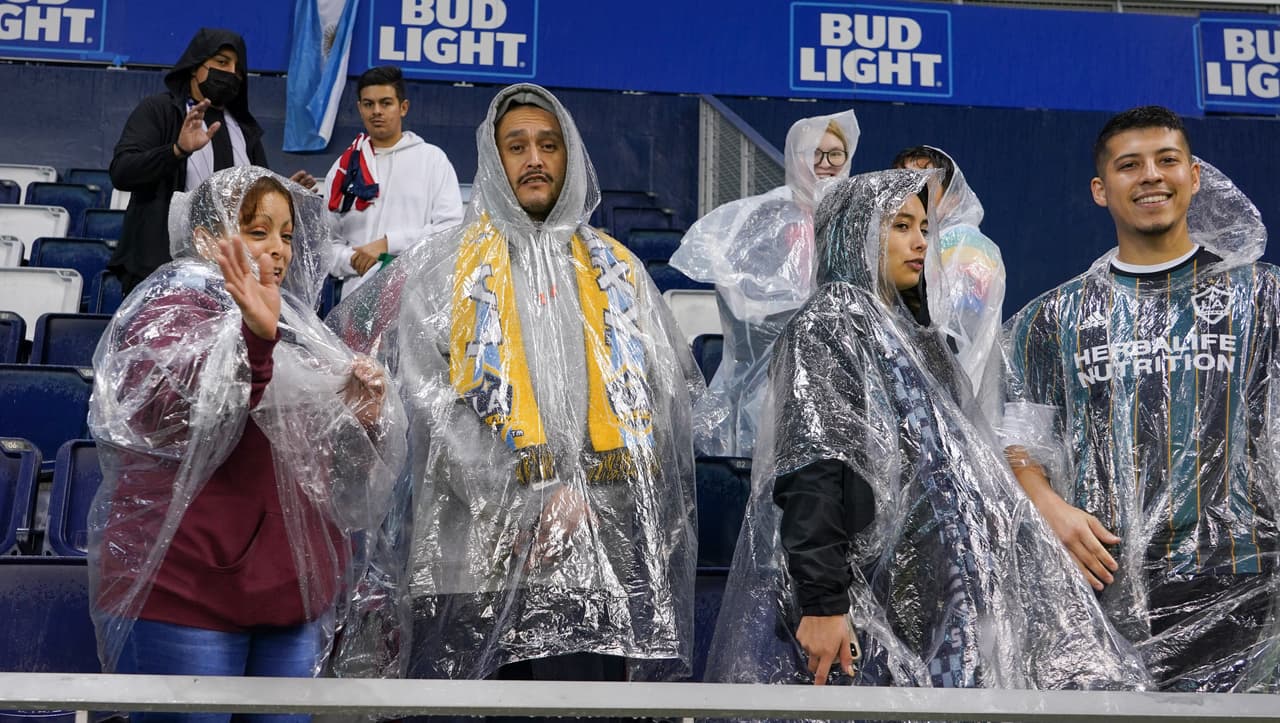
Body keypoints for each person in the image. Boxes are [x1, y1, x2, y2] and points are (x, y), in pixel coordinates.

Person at [704, 169, 1148, 693]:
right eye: (900, 226)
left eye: (923, 227)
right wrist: (824, 604)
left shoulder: (920, 338)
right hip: (868, 592)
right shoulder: (830, 324)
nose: (920, 242)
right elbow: (816, 468)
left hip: (941, 593)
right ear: (856, 233)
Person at [326, 84, 701, 688]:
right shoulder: (447, 269)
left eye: (549, 145)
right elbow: (435, 410)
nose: (534, 159)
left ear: (570, 158)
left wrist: (591, 504)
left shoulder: (618, 269)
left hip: (592, 556)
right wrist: (533, 499)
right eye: (517, 146)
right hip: (476, 560)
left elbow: (660, 402)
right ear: (493, 161)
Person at [86, 166, 407, 720]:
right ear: (209, 238)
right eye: (258, 231)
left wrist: (363, 419)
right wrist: (253, 341)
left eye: (286, 234)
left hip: (293, 603)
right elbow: (171, 412)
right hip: (189, 598)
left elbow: (331, 477)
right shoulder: (167, 309)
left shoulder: (297, 327)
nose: (279, 249)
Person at [1004, 105, 1280, 692]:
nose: (1151, 175)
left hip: (1244, 582)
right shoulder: (1049, 320)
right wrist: (1050, 509)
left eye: (1167, 160)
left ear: (1195, 175)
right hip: (1103, 581)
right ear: (1101, 190)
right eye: (1130, 165)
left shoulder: (1265, 299)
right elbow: (1019, 443)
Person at [669, 111, 859, 457]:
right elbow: (744, 305)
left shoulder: (856, 223)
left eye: (835, 154)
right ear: (795, 158)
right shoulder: (765, 217)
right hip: (770, 382)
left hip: (838, 379)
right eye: (815, 153)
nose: (826, 163)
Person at [108, 28, 317, 294]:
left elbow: (253, 201)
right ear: (195, 66)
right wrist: (176, 150)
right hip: (160, 271)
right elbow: (122, 172)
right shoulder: (159, 111)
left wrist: (286, 194)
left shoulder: (245, 130)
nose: (230, 73)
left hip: (231, 276)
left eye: (238, 69)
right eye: (221, 63)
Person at [324, 65, 464, 297]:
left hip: (416, 301)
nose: (376, 111)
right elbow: (326, 245)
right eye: (368, 104)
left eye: (386, 103)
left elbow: (451, 231)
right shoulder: (343, 168)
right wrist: (354, 260)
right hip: (353, 302)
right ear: (359, 108)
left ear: (403, 107)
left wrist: (388, 245)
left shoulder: (432, 160)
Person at [891, 146, 1006, 420]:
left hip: (952, 415)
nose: (911, 191)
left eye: (922, 182)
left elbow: (951, 339)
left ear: (953, 197)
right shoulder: (912, 246)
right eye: (901, 182)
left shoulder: (969, 245)